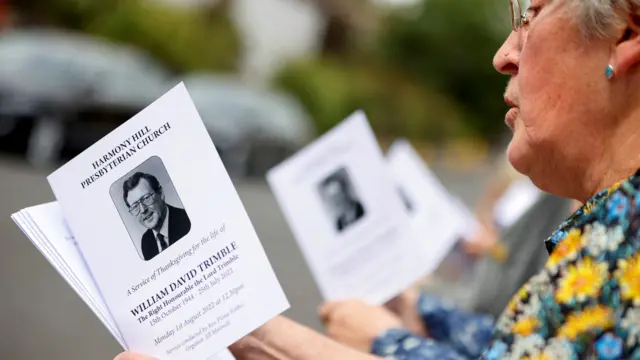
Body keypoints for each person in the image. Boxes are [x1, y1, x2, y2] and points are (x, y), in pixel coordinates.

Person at [117, 0, 640, 357]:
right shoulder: (612, 229)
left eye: (530, 15)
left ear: (625, 33)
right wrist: (255, 335)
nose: (504, 55)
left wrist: (380, 338)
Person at [123, 172, 191, 261]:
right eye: (135, 206)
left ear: (161, 193)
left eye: (146, 198)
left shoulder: (187, 220)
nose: (143, 210)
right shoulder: (146, 242)